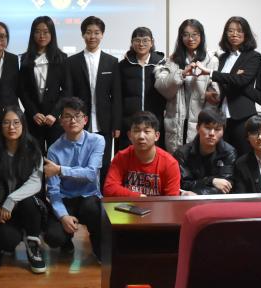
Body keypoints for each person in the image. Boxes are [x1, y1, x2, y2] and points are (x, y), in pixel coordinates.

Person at [0, 106, 46, 274]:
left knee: (28, 201)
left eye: (16, 122)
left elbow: (36, 182)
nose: (11, 127)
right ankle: (7, 241)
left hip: (27, 206)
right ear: (0, 126)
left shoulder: (33, 148)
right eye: (6, 123)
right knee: (5, 240)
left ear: (23, 125)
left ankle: (33, 245)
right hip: (3, 210)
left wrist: (12, 199)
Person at [44, 97, 104, 261]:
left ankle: (98, 245)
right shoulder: (54, 150)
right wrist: (63, 216)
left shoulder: (97, 141)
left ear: (85, 120)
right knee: (53, 237)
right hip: (66, 199)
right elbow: (53, 190)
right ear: (61, 121)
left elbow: (91, 174)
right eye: (67, 116)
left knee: (93, 209)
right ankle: (66, 241)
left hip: (89, 197)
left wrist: (60, 170)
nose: (72, 120)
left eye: (77, 116)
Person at [195, 16, 261, 157]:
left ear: (246, 34)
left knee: (244, 156)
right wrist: (231, 78)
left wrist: (212, 73)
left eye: (239, 31)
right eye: (230, 31)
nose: (234, 34)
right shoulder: (223, 57)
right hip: (222, 115)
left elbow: (241, 81)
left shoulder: (253, 56)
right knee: (223, 156)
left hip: (242, 115)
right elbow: (229, 81)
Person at [66, 16, 121, 183]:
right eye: (88, 32)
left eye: (97, 32)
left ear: (102, 34)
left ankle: (102, 194)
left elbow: (116, 96)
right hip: (80, 120)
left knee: (103, 162)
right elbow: (69, 94)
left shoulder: (111, 61)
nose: (92, 36)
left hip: (104, 121)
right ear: (83, 35)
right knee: (80, 161)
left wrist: (116, 124)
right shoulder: (72, 62)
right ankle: (81, 193)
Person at [154, 19, 220, 154]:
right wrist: (182, 73)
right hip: (176, 119)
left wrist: (210, 95)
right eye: (186, 35)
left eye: (195, 34)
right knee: (175, 158)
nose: (190, 38)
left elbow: (216, 91)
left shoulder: (211, 60)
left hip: (200, 119)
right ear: (181, 37)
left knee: (198, 158)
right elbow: (161, 87)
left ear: (201, 36)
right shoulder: (172, 60)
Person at [19, 16, 71, 152]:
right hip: (33, 118)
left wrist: (55, 114)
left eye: (46, 32)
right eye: (37, 32)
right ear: (32, 34)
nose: (42, 35)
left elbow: (67, 90)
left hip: (54, 119)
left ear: (52, 34)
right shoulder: (25, 58)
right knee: (34, 156)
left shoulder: (61, 58)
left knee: (56, 156)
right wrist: (33, 113)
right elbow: (22, 90)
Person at [103, 111, 180, 197]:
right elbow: (109, 188)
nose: (141, 136)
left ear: (156, 136)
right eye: (136, 131)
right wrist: (138, 197)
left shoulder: (170, 164)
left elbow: (172, 199)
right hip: (128, 205)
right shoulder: (121, 157)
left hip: (158, 206)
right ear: (129, 135)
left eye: (147, 131)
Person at [117, 27, 166, 151]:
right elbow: (118, 96)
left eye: (145, 40)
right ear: (132, 42)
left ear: (152, 42)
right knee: (128, 156)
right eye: (137, 40)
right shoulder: (123, 65)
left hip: (155, 121)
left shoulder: (162, 64)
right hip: (129, 122)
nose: (141, 44)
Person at [174, 108, 236, 195]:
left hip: (217, 201)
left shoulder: (228, 152)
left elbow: (225, 186)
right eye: (207, 128)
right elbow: (183, 184)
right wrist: (211, 181)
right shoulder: (182, 154)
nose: (212, 133)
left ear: (223, 131)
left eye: (217, 129)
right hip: (190, 200)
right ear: (198, 128)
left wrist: (199, 193)